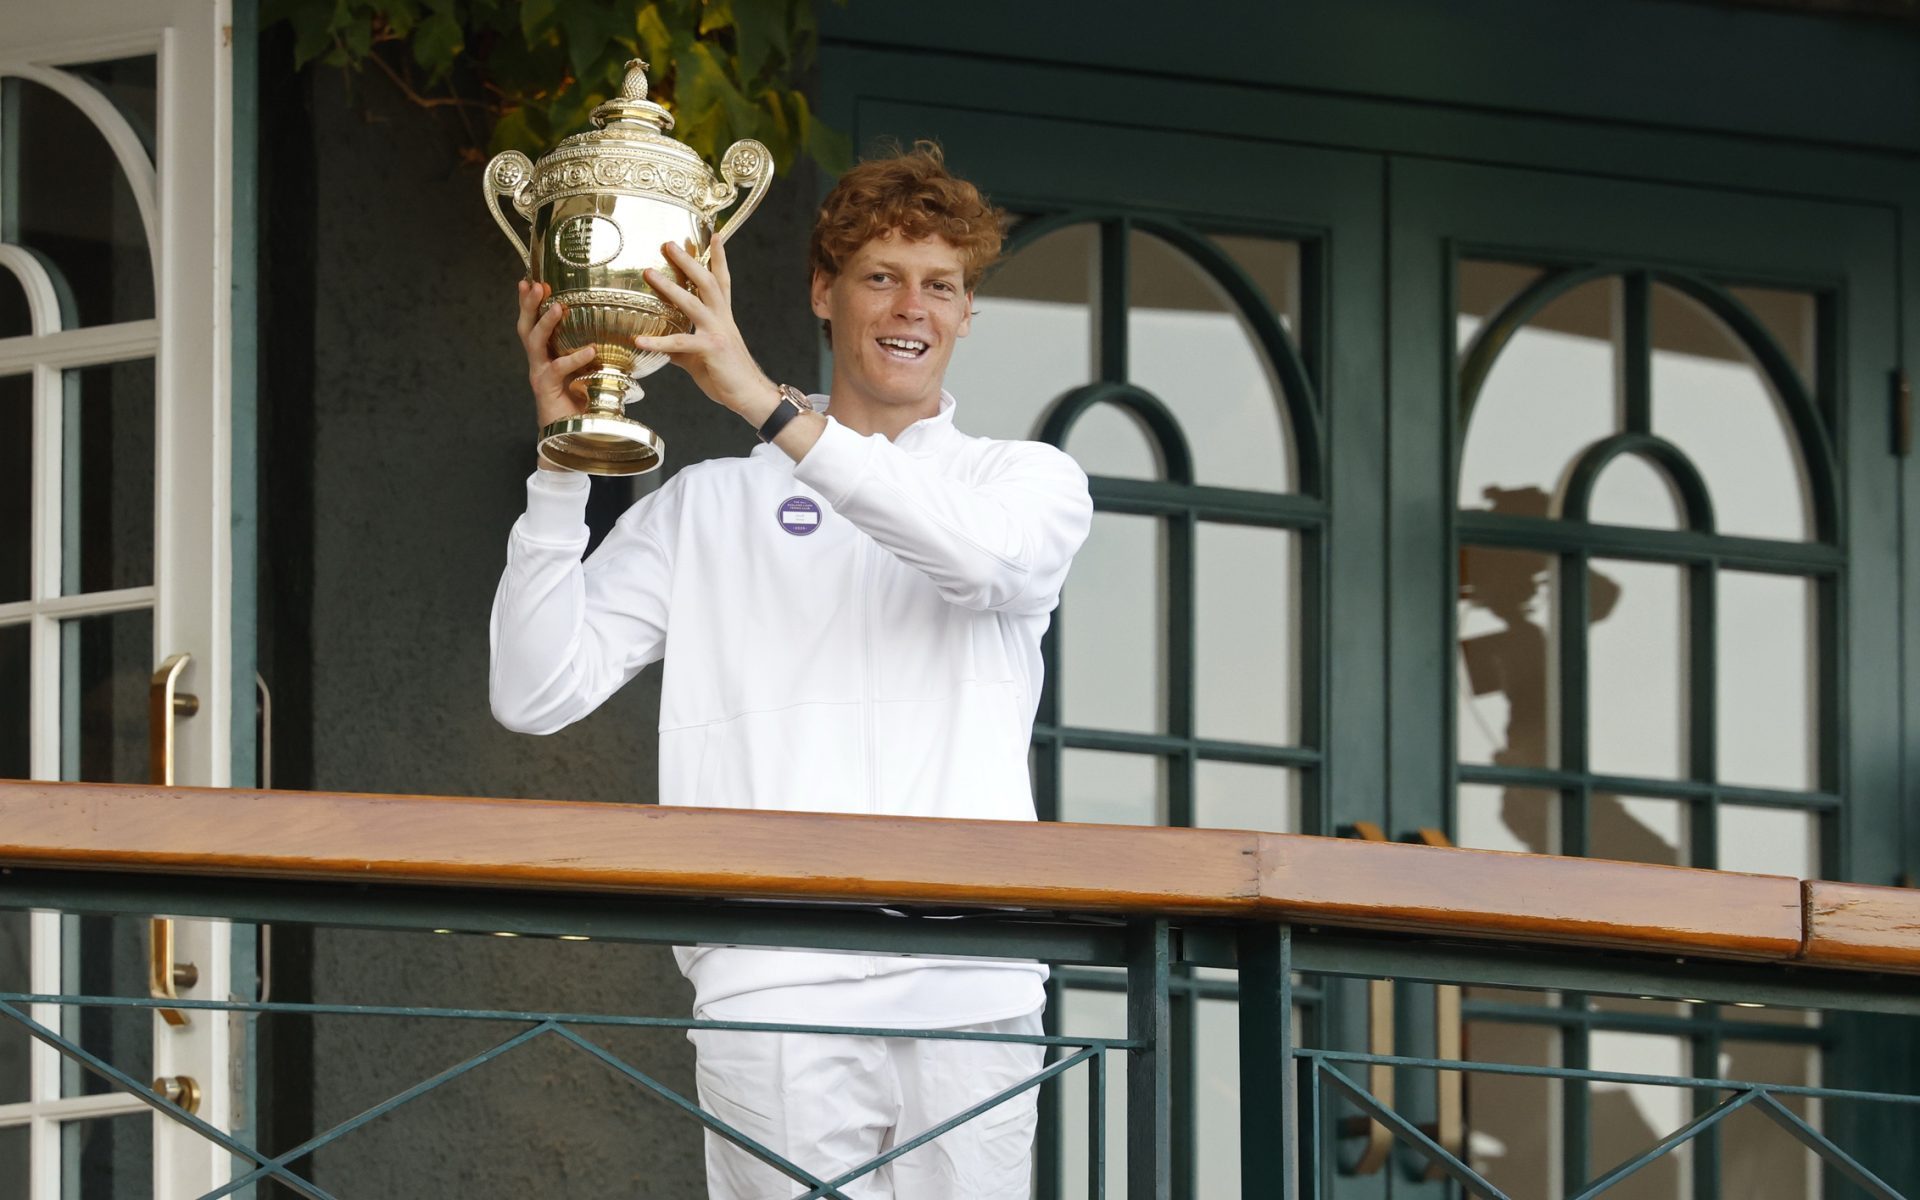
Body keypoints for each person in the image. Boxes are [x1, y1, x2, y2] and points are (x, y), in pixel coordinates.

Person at [488, 142, 1094, 1199]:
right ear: (823, 291)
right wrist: (559, 469)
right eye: (880, 276)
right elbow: (536, 691)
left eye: (940, 286)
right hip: (773, 981)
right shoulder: (709, 505)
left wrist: (771, 408)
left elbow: (979, 560)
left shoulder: (1025, 481)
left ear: (964, 313)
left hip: (969, 985)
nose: (912, 307)